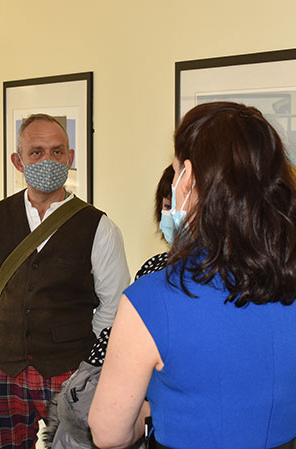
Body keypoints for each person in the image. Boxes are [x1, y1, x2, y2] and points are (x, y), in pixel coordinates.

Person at [89, 102, 296, 449]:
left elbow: (107, 433)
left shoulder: (152, 299)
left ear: (188, 178)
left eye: (176, 172)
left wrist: (146, 419)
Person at [0, 113, 130, 449]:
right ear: (18, 161)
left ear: (70, 158)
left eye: (57, 152)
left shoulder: (99, 227)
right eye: (37, 152)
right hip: (3, 368)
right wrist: (13, 331)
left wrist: (79, 350)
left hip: (68, 370)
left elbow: (113, 303)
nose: (48, 159)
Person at [42, 163, 175, 449]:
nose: (174, 213)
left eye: (182, 203)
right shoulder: (154, 270)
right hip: (98, 390)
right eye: (167, 205)